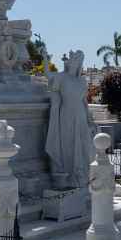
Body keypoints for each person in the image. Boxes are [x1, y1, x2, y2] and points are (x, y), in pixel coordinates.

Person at [45, 50, 95, 189]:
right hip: (66, 114)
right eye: (74, 58)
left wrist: (90, 119)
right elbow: (48, 75)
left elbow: (84, 102)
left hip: (80, 115)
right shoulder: (62, 77)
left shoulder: (82, 81)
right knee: (68, 144)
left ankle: (82, 175)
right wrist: (45, 58)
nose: (75, 61)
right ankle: (69, 176)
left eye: (79, 59)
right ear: (70, 61)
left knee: (83, 144)